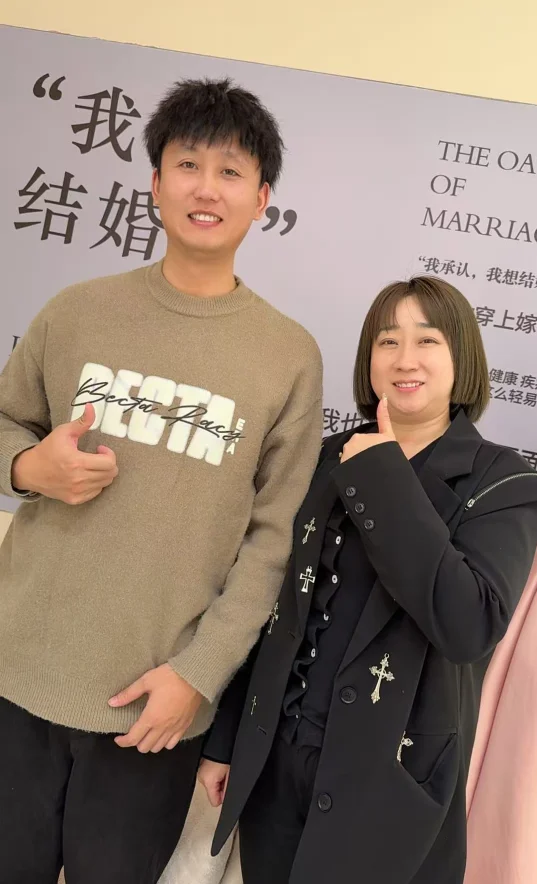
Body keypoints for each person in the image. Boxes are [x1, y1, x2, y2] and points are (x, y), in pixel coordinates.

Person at [0, 78, 323, 884]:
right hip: (16, 674)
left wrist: (197, 676)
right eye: (187, 165)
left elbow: (273, 542)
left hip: (154, 706)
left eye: (230, 171)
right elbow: (7, 422)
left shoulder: (286, 356)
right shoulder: (77, 311)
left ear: (262, 199)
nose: (205, 188)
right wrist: (27, 468)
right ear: (154, 183)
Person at [199, 276, 537, 884]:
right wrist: (227, 741)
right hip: (278, 764)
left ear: (461, 357)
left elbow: (467, 625)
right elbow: (272, 605)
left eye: (427, 340)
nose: (405, 360)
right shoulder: (325, 457)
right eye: (387, 341)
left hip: (389, 787)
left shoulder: (503, 481)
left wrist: (383, 474)